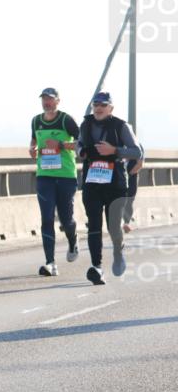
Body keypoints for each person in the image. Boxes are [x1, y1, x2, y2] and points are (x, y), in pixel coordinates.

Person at [77, 92, 142, 285]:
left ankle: (118, 251)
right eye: (95, 104)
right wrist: (82, 151)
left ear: (110, 108)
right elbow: (78, 145)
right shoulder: (86, 124)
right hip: (92, 182)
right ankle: (96, 267)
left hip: (115, 184)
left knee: (113, 227)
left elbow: (137, 152)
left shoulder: (121, 126)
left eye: (103, 105)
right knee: (94, 224)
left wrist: (114, 150)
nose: (98, 108)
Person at [29, 87, 80, 277]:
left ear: (58, 101)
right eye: (44, 99)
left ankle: (73, 240)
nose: (46, 102)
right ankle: (50, 263)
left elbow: (82, 143)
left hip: (66, 175)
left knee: (66, 220)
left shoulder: (66, 120)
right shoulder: (36, 121)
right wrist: (32, 149)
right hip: (44, 175)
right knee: (47, 218)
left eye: (50, 99)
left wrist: (61, 145)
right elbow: (34, 141)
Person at [123, 144, 144, 233]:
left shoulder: (137, 146)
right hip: (119, 176)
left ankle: (126, 223)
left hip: (131, 177)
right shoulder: (119, 143)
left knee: (129, 200)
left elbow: (140, 164)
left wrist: (129, 174)